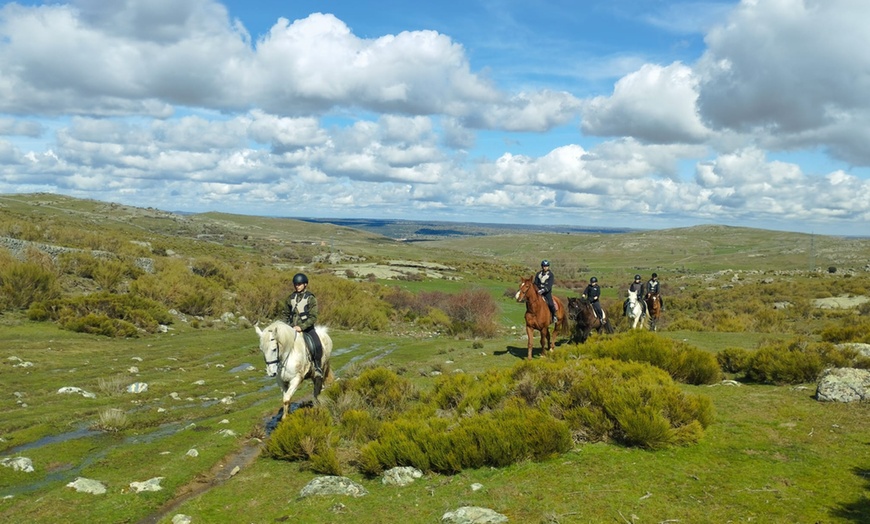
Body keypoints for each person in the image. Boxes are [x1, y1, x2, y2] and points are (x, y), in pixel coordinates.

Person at [284, 272, 324, 378]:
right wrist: (288, 325)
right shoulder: (290, 298)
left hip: (307, 328)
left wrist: (301, 327)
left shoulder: (310, 298)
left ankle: (317, 367)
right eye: (296, 284)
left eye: (299, 284)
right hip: (291, 328)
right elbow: (286, 314)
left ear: (305, 284)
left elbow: (313, 316)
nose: (297, 286)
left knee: (317, 345)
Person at [534, 260, 557, 324]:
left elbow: (549, 285)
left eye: (546, 266)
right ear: (542, 266)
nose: (545, 267)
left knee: (551, 304)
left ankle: (554, 316)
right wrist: (536, 289)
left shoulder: (551, 275)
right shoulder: (538, 274)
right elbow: (535, 283)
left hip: (546, 292)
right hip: (538, 291)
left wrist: (543, 290)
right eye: (544, 266)